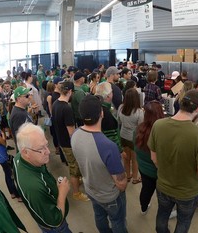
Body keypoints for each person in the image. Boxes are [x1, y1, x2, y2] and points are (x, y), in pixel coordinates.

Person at [148, 89, 198, 233]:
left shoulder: (158, 125)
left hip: (163, 186)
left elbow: (154, 158)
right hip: (188, 193)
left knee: (162, 214)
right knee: (183, 221)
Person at [71, 95, 128, 233]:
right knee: (117, 220)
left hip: (90, 189)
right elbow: (121, 184)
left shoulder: (75, 134)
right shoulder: (108, 146)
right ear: (101, 113)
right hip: (109, 195)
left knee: (99, 216)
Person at [13, 123, 72, 232]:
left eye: (46, 145)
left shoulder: (18, 159)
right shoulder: (34, 187)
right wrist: (62, 193)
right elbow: (55, 221)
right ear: (25, 152)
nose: (48, 151)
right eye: (41, 148)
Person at [52, 81, 89, 202]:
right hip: (69, 144)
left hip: (61, 141)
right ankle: (76, 192)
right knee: (74, 168)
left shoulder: (56, 103)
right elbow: (72, 133)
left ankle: (77, 183)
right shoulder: (66, 108)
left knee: (73, 165)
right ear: (70, 92)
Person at [135, 101, 165, 215]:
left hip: (143, 169)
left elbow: (136, 148)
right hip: (159, 171)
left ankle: (143, 208)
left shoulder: (138, 129)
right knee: (162, 195)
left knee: (146, 190)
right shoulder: (162, 132)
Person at [117, 88, 144, 184]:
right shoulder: (139, 111)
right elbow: (141, 127)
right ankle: (135, 178)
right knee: (135, 159)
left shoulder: (121, 107)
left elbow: (119, 121)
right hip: (133, 137)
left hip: (123, 135)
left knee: (126, 157)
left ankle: (128, 175)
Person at [95, 82, 122, 152]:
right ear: (108, 96)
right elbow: (112, 137)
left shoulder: (97, 106)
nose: (113, 93)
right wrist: (120, 151)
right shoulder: (105, 113)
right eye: (111, 92)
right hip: (109, 150)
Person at [9, 86, 35, 150]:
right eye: (26, 96)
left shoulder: (22, 109)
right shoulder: (18, 115)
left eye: (29, 95)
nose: (29, 97)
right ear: (19, 99)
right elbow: (20, 139)